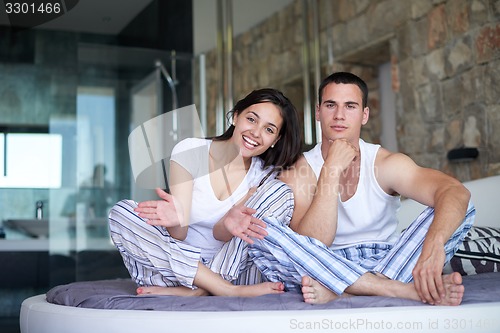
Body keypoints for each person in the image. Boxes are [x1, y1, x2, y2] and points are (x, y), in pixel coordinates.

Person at [249, 72, 475, 306]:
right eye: (330, 105)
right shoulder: (297, 171)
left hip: (387, 263)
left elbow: (453, 191)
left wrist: (434, 246)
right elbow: (313, 244)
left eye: (350, 106)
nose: (339, 115)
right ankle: (392, 289)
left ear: (364, 114)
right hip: (325, 264)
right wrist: (331, 169)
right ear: (318, 112)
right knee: (260, 228)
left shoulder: (385, 164)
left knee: (459, 203)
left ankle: (345, 291)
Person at [109, 88, 302, 297]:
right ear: (236, 116)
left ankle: (204, 289)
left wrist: (228, 222)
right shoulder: (190, 150)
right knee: (122, 212)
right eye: (252, 119)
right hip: (171, 271)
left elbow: (221, 234)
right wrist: (176, 220)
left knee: (281, 192)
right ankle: (219, 289)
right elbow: (179, 235)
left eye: (269, 130)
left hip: (231, 269)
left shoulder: (263, 176)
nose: (256, 133)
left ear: (276, 139)